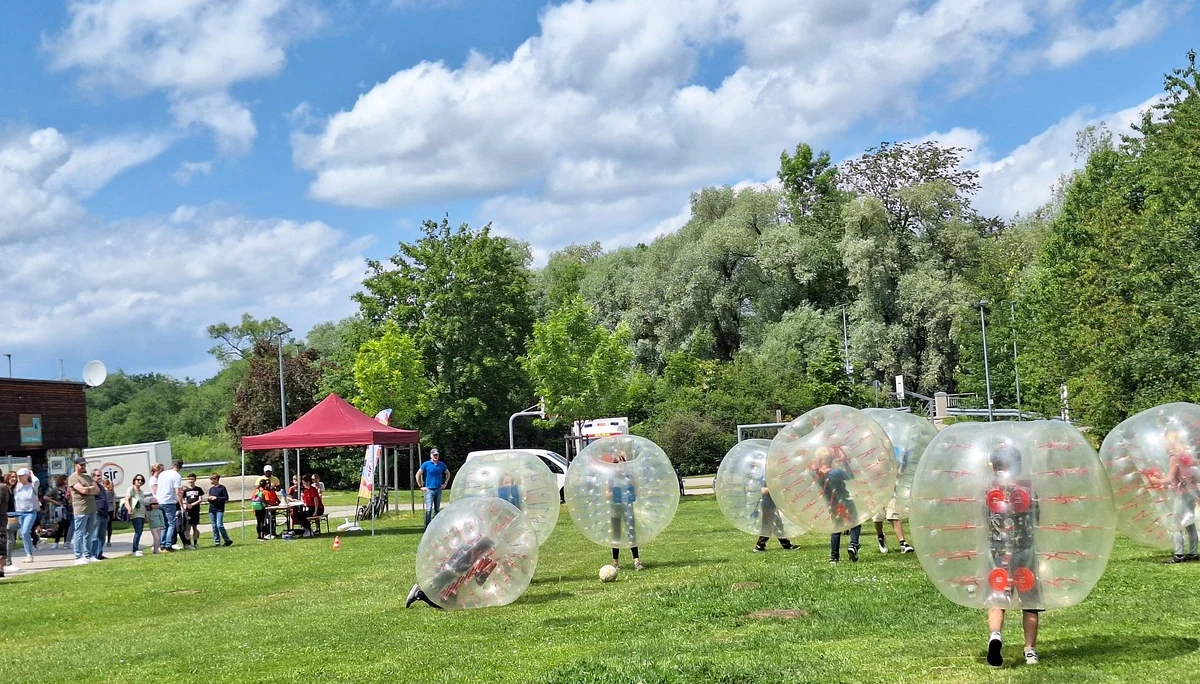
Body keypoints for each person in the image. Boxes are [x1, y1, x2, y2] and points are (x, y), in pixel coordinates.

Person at [984, 444, 1041, 667]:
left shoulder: (989, 491)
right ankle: (1030, 650)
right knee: (1031, 602)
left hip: (998, 552)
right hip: (1025, 551)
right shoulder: (1027, 490)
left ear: (995, 467)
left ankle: (995, 635)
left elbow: (984, 518)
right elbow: (1036, 517)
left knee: (998, 599)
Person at [405, 532, 497, 609]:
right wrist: (473, 563)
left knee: (446, 605)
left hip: (455, 580)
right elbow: (456, 566)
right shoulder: (466, 551)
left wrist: (483, 574)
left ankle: (420, 594)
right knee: (436, 596)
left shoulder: (481, 557)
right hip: (447, 573)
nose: (483, 554)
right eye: (481, 551)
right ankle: (419, 593)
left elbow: (479, 581)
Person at [1155, 432, 1199, 564]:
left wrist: (1155, 480)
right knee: (1189, 523)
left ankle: (1179, 555)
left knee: (1176, 524)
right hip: (1192, 491)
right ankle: (1193, 553)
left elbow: (1170, 479)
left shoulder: (1174, 457)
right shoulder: (1189, 456)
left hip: (1182, 494)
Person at [813, 445, 860, 563]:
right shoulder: (836, 472)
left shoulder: (817, 475)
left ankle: (834, 557)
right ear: (831, 459)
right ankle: (853, 544)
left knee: (837, 528)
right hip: (845, 501)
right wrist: (844, 461)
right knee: (855, 523)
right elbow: (851, 475)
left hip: (832, 504)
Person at [609, 452, 643, 571]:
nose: (620, 466)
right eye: (618, 464)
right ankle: (615, 562)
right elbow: (606, 494)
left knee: (631, 532)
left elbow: (637, 490)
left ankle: (636, 561)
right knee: (616, 534)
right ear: (614, 466)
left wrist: (631, 493)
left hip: (628, 507)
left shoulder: (629, 477)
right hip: (615, 508)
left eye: (622, 464)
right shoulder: (611, 478)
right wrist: (612, 494)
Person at [67, 456, 101, 565]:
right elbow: (82, 490)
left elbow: (97, 490)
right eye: (81, 465)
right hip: (81, 509)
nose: (83, 466)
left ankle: (88, 555)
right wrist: (89, 489)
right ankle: (78, 556)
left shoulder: (87, 477)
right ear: (76, 465)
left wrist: (88, 489)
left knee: (89, 533)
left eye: (84, 465)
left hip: (92, 508)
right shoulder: (73, 478)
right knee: (79, 533)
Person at [752, 483, 796, 552]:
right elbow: (763, 490)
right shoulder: (766, 480)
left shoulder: (773, 479)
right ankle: (759, 546)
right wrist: (774, 488)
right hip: (767, 504)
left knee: (778, 525)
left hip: (772, 503)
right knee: (768, 525)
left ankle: (786, 544)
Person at [13, 468, 42, 564]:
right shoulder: (17, 487)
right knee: (23, 533)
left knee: (25, 531)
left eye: (22, 475)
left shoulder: (32, 486)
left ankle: (29, 554)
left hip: (30, 512)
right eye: (19, 476)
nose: (20, 477)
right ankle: (28, 553)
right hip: (19, 512)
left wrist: (31, 473)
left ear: (27, 476)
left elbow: (36, 481)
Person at [418, 449, 451, 528]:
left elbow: (448, 473)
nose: (436, 456)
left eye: (437, 455)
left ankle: (435, 526)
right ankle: (427, 526)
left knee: (437, 509)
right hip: (429, 489)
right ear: (431, 456)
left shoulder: (441, 465)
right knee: (429, 509)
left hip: (438, 489)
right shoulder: (426, 464)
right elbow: (418, 474)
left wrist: (445, 483)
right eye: (434, 455)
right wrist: (420, 486)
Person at [157, 460, 184, 552]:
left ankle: (162, 544)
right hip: (169, 501)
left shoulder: (162, 474)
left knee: (164, 525)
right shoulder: (177, 476)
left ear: (173, 465)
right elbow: (177, 492)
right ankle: (168, 544)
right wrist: (181, 505)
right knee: (171, 524)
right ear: (180, 467)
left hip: (160, 501)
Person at [123, 474, 150, 557]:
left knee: (140, 531)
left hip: (141, 514)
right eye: (138, 480)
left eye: (141, 480)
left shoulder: (141, 492)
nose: (140, 481)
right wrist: (129, 509)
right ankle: (135, 550)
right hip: (135, 513)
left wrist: (146, 515)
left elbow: (143, 503)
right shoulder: (131, 489)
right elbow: (126, 499)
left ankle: (136, 549)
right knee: (138, 531)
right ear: (134, 480)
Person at [90, 469, 111, 560]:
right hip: (96, 512)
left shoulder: (101, 487)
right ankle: (93, 554)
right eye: (98, 475)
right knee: (95, 535)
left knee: (102, 536)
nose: (100, 477)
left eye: (100, 475)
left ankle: (99, 553)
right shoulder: (92, 486)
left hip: (104, 513)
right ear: (93, 476)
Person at [181, 473, 205, 550]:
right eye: (189, 479)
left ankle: (195, 543)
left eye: (192, 479)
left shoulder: (198, 489)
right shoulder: (185, 490)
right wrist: (187, 504)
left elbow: (200, 499)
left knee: (195, 527)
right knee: (188, 527)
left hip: (196, 510)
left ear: (195, 480)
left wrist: (192, 504)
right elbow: (183, 500)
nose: (190, 481)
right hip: (188, 511)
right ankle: (189, 543)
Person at [207, 474, 232, 547]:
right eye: (211, 479)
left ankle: (227, 540)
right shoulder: (211, 489)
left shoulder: (222, 488)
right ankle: (217, 542)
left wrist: (217, 498)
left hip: (219, 509)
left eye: (212, 479)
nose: (211, 481)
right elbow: (210, 499)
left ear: (217, 479)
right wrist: (209, 499)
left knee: (219, 525)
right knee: (214, 526)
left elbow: (226, 498)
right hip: (212, 510)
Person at [46, 475, 71, 549]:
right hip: (60, 509)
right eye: (66, 479)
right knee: (61, 526)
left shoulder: (67, 488)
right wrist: (55, 502)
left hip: (68, 508)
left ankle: (66, 542)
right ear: (63, 480)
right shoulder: (56, 489)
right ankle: (56, 542)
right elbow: (46, 496)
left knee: (67, 525)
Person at [102, 476, 117, 547]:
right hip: (111, 509)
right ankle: (108, 541)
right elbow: (114, 502)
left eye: (103, 483)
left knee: (103, 525)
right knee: (109, 525)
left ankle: (102, 540)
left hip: (104, 509)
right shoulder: (111, 491)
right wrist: (114, 511)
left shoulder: (103, 492)